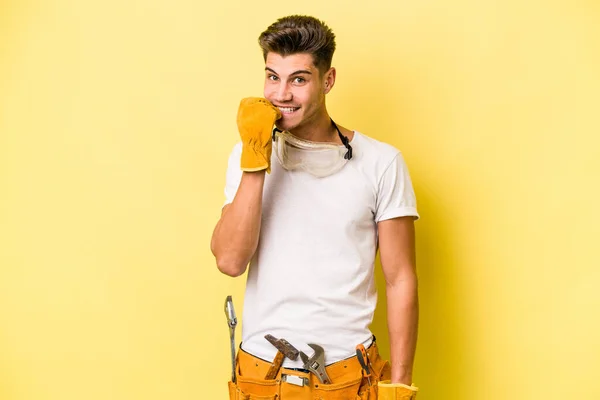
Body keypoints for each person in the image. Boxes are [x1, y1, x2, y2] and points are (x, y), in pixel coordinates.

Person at [211, 14, 420, 400]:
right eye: (273, 77)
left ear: (328, 80)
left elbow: (400, 279)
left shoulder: (381, 162)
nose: (282, 94)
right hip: (261, 377)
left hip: (346, 378)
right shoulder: (247, 155)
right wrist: (256, 156)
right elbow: (229, 261)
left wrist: (400, 385)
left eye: (299, 79)